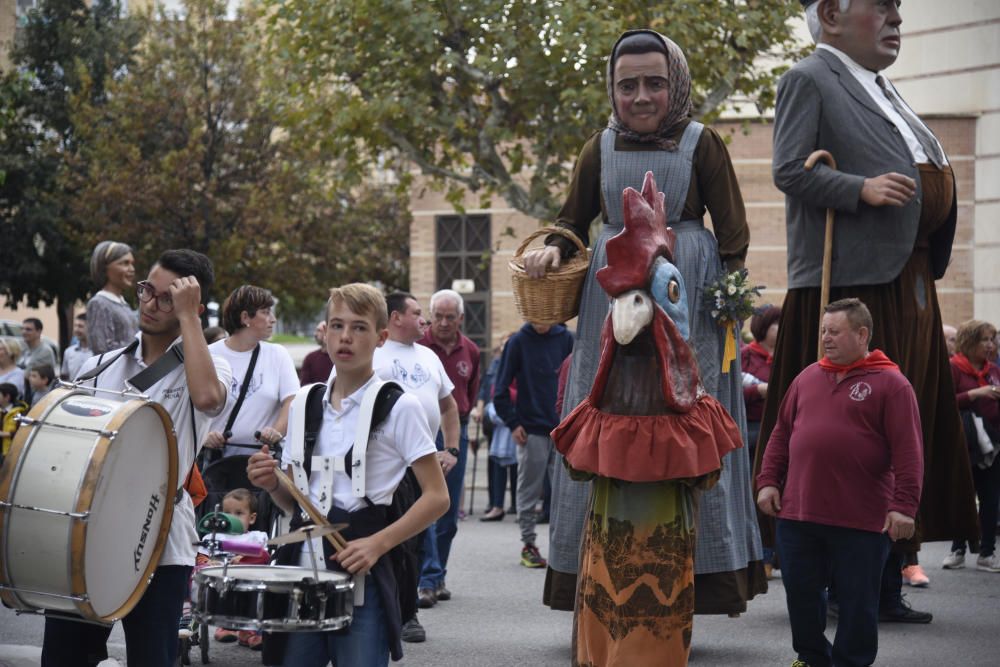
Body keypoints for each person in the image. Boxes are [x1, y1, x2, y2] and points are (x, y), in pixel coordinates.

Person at [523, 28, 764, 614]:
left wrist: (727, 311)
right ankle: (595, 580)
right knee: (602, 419)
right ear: (613, 88)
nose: (641, 96)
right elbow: (569, 220)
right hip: (612, 310)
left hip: (690, 307)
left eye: (654, 82)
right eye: (627, 85)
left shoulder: (704, 144)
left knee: (687, 424)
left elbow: (733, 238)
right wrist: (553, 248)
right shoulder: (596, 148)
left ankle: (698, 579)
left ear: (675, 83)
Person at [756, 0, 980, 624]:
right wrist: (859, 188)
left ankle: (885, 582)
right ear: (829, 13)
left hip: (906, 279)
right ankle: (837, 583)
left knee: (902, 435)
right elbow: (787, 170)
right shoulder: (809, 78)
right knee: (850, 440)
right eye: (881, 7)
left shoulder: (880, 87)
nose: (896, 18)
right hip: (851, 284)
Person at [40, 249, 232, 667]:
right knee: (64, 656)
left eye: (168, 298)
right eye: (147, 290)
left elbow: (208, 399)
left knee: (152, 658)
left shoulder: (210, 365)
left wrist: (189, 320)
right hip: (90, 534)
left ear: (191, 308)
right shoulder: (97, 367)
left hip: (160, 540)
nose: (150, 304)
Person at [246, 283, 449, 667]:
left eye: (359, 327)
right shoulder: (305, 401)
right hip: (301, 571)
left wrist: (377, 544)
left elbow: (437, 497)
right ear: (324, 332)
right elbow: (292, 500)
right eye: (337, 325)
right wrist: (271, 482)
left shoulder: (399, 406)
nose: (346, 337)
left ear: (381, 338)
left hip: (363, 573)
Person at [758, 298, 923, 667]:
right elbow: (781, 434)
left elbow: (909, 452)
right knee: (801, 596)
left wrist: (903, 506)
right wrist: (768, 481)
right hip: (799, 514)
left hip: (862, 520)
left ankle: (852, 662)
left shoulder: (892, 384)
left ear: (862, 334)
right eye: (823, 332)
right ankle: (812, 658)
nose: (826, 339)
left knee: (857, 603)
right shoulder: (807, 377)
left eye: (835, 332)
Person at [374, 291, 459, 642]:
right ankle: (386, 610)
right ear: (395, 317)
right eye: (417, 313)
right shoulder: (375, 353)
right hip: (385, 462)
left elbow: (449, 407)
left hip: (423, 461)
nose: (424, 319)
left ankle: (408, 614)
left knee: (416, 539)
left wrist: (451, 448)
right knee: (389, 536)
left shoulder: (428, 356)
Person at [492, 320, 573, 568]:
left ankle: (564, 548)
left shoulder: (566, 339)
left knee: (565, 493)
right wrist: (513, 423)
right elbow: (500, 390)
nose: (540, 321)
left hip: (563, 429)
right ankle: (528, 544)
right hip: (531, 430)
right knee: (528, 491)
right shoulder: (518, 342)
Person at [416, 290, 480, 598]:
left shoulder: (471, 351)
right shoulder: (418, 348)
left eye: (449, 317)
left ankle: (438, 573)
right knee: (428, 504)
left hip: (457, 432)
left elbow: (469, 393)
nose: (442, 323)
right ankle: (427, 579)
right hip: (425, 431)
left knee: (449, 510)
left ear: (460, 319)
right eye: (437, 316)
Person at [202, 285, 298, 459]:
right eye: (266, 312)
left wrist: (276, 431)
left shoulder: (277, 354)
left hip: (262, 464)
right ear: (245, 317)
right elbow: (189, 407)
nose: (273, 319)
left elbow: (292, 400)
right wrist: (203, 437)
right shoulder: (208, 355)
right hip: (214, 466)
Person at [942, 320, 1000, 573]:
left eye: (992, 339)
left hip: (992, 445)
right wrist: (976, 394)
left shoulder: (993, 370)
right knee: (963, 496)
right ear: (969, 341)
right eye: (984, 339)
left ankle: (987, 553)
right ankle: (958, 550)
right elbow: (944, 402)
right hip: (964, 445)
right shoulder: (954, 368)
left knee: (990, 498)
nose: (990, 345)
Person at [201, 488, 271, 649]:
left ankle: (251, 630)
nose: (231, 517)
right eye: (226, 513)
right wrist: (209, 561)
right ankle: (225, 626)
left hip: (249, 581)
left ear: (252, 518)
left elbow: (265, 556)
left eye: (238, 513)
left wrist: (244, 557)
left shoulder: (256, 537)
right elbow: (200, 557)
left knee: (261, 580)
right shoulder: (213, 537)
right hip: (221, 583)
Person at [86, 240, 138, 356]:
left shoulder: (123, 303)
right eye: (125, 263)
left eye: (132, 263)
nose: (132, 269)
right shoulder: (99, 303)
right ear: (105, 268)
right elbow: (101, 349)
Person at [0, 382, 29, 463]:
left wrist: (6, 434)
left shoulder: (20, 413)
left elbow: (24, 432)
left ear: (7, 397)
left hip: (10, 451)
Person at [300, 320, 335, 385]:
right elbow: (304, 385)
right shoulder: (310, 358)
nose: (315, 334)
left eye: (319, 331)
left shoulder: (338, 358)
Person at [61, 312, 92, 381]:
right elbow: (65, 376)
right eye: (75, 326)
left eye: (80, 326)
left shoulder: (99, 353)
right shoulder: (69, 352)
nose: (76, 329)